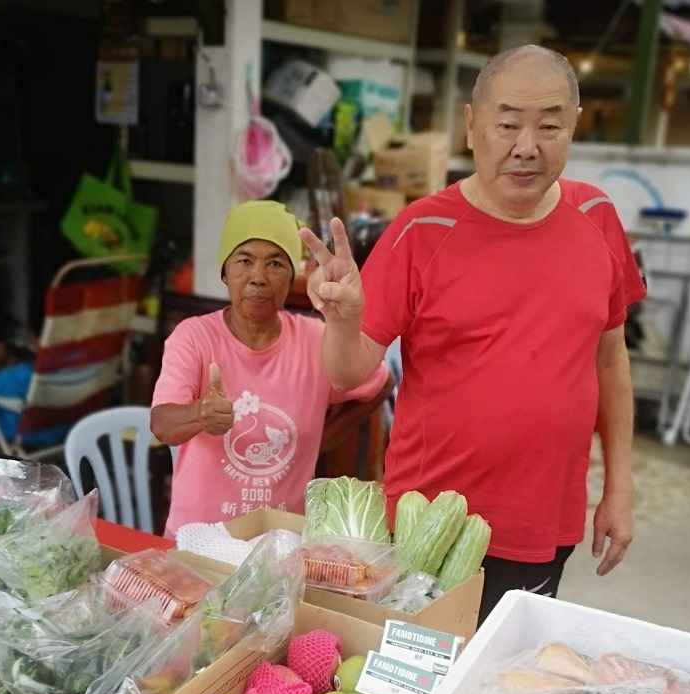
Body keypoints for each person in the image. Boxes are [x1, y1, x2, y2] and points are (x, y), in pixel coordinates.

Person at [300, 45, 646, 623]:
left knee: (495, 688)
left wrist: (620, 486)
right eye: (507, 124)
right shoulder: (421, 228)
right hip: (426, 526)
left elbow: (610, 360)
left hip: (543, 521)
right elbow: (347, 371)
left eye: (549, 126)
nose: (526, 146)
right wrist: (344, 321)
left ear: (574, 126)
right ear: (470, 125)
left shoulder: (597, 217)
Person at [150, 200, 391, 538]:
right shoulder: (193, 337)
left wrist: (326, 438)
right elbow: (162, 425)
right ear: (224, 272)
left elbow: (380, 381)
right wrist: (200, 414)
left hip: (282, 545)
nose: (258, 278)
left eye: (275, 263)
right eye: (244, 261)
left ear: (292, 276)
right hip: (197, 541)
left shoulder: (316, 340)